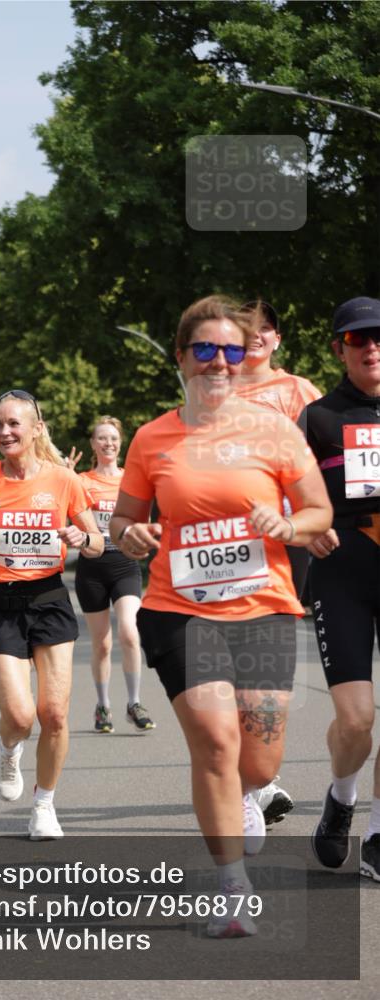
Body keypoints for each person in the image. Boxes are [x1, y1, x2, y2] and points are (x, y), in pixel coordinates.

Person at [110, 295, 331, 937]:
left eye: (231, 349)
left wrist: (288, 525)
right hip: (180, 610)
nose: (219, 361)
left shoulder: (274, 431)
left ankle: (247, 797)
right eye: (204, 349)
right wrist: (131, 535)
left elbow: (317, 511)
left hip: (263, 610)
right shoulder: (153, 438)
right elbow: (123, 520)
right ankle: (232, 890)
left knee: (257, 764)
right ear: (182, 357)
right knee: (214, 741)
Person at [0, 388, 104, 840]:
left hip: (49, 599)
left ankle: (44, 805)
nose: (4, 432)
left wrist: (81, 539)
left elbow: (97, 542)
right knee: (20, 716)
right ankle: (8, 748)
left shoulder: (64, 480)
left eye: (14, 423)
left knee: (54, 714)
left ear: (37, 429)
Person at [235, 300, 322, 826]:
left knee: (267, 655)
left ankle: (258, 779)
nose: (256, 336)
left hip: (290, 536)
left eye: (265, 329)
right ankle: (254, 782)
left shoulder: (298, 390)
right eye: (247, 329)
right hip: (233, 538)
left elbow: (324, 454)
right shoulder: (216, 389)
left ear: (277, 338)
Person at [305, 296, 380, 882]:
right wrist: (306, 527)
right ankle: (342, 794)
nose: (371, 347)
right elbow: (284, 494)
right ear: (339, 349)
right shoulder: (319, 418)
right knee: (357, 721)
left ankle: (377, 835)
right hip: (342, 573)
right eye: (358, 339)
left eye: (379, 336)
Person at [74, 416, 155, 734]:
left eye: (113, 438)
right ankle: (103, 706)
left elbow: (143, 517)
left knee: (130, 633)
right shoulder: (81, 481)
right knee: (102, 645)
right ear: (93, 444)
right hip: (92, 567)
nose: (108, 443)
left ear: (121, 444)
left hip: (125, 564)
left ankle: (134, 703)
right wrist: (64, 478)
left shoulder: (131, 480)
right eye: (102, 438)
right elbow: (66, 512)